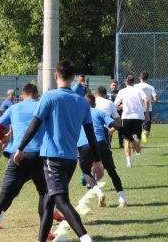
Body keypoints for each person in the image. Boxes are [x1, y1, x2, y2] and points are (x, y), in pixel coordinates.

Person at [13, 59, 105, 242]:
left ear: (56, 75)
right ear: (72, 77)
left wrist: (20, 148)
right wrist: (97, 160)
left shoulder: (49, 97)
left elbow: (33, 125)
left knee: (61, 201)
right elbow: (91, 135)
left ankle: (85, 238)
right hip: (71, 158)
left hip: (52, 157)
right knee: (49, 200)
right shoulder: (82, 102)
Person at [0, 84, 51, 242]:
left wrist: (3, 138)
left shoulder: (14, 108)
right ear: (36, 94)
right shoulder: (42, 106)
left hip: (17, 156)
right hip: (39, 155)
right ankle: (45, 232)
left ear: (23, 95)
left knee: (3, 197)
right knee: (44, 193)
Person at [77, 94, 127, 207]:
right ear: (94, 104)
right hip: (100, 143)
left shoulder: (77, 115)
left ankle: (99, 193)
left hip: (84, 145)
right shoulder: (100, 113)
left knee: (85, 172)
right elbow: (116, 124)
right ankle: (122, 199)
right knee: (112, 171)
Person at [114, 74, 149, 167]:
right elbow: (146, 100)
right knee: (136, 140)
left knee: (126, 140)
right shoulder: (139, 90)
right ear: (133, 81)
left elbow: (115, 105)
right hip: (138, 117)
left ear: (126, 81)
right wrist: (147, 113)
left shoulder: (122, 91)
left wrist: (122, 107)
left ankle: (129, 162)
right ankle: (136, 142)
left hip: (126, 117)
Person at [135, 71, 158, 143]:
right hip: (147, 110)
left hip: (137, 110)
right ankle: (140, 138)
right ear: (147, 78)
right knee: (147, 131)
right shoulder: (151, 87)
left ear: (139, 77)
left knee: (138, 128)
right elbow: (155, 98)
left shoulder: (135, 86)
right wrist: (155, 99)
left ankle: (139, 138)